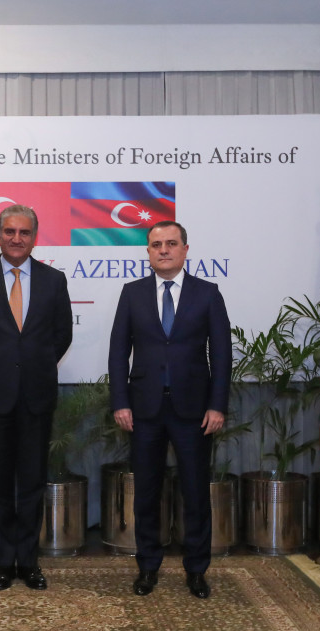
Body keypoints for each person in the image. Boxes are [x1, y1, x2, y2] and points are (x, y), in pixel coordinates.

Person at [108, 220, 232, 599]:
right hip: (144, 409)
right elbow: (117, 352)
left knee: (195, 492)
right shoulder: (132, 293)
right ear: (147, 252)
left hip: (194, 411)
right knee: (146, 492)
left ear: (185, 249)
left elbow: (222, 355)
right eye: (156, 244)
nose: (163, 250)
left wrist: (217, 405)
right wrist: (120, 402)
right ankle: (147, 567)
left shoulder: (207, 294)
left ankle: (196, 570)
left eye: (171, 243)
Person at [0, 204, 73, 591]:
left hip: (37, 397)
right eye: (9, 231)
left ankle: (30, 561)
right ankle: (4, 562)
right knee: (1, 483)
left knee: (33, 483)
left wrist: (31, 367)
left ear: (34, 237)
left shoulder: (54, 280)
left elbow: (62, 336)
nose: (16, 238)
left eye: (24, 232)